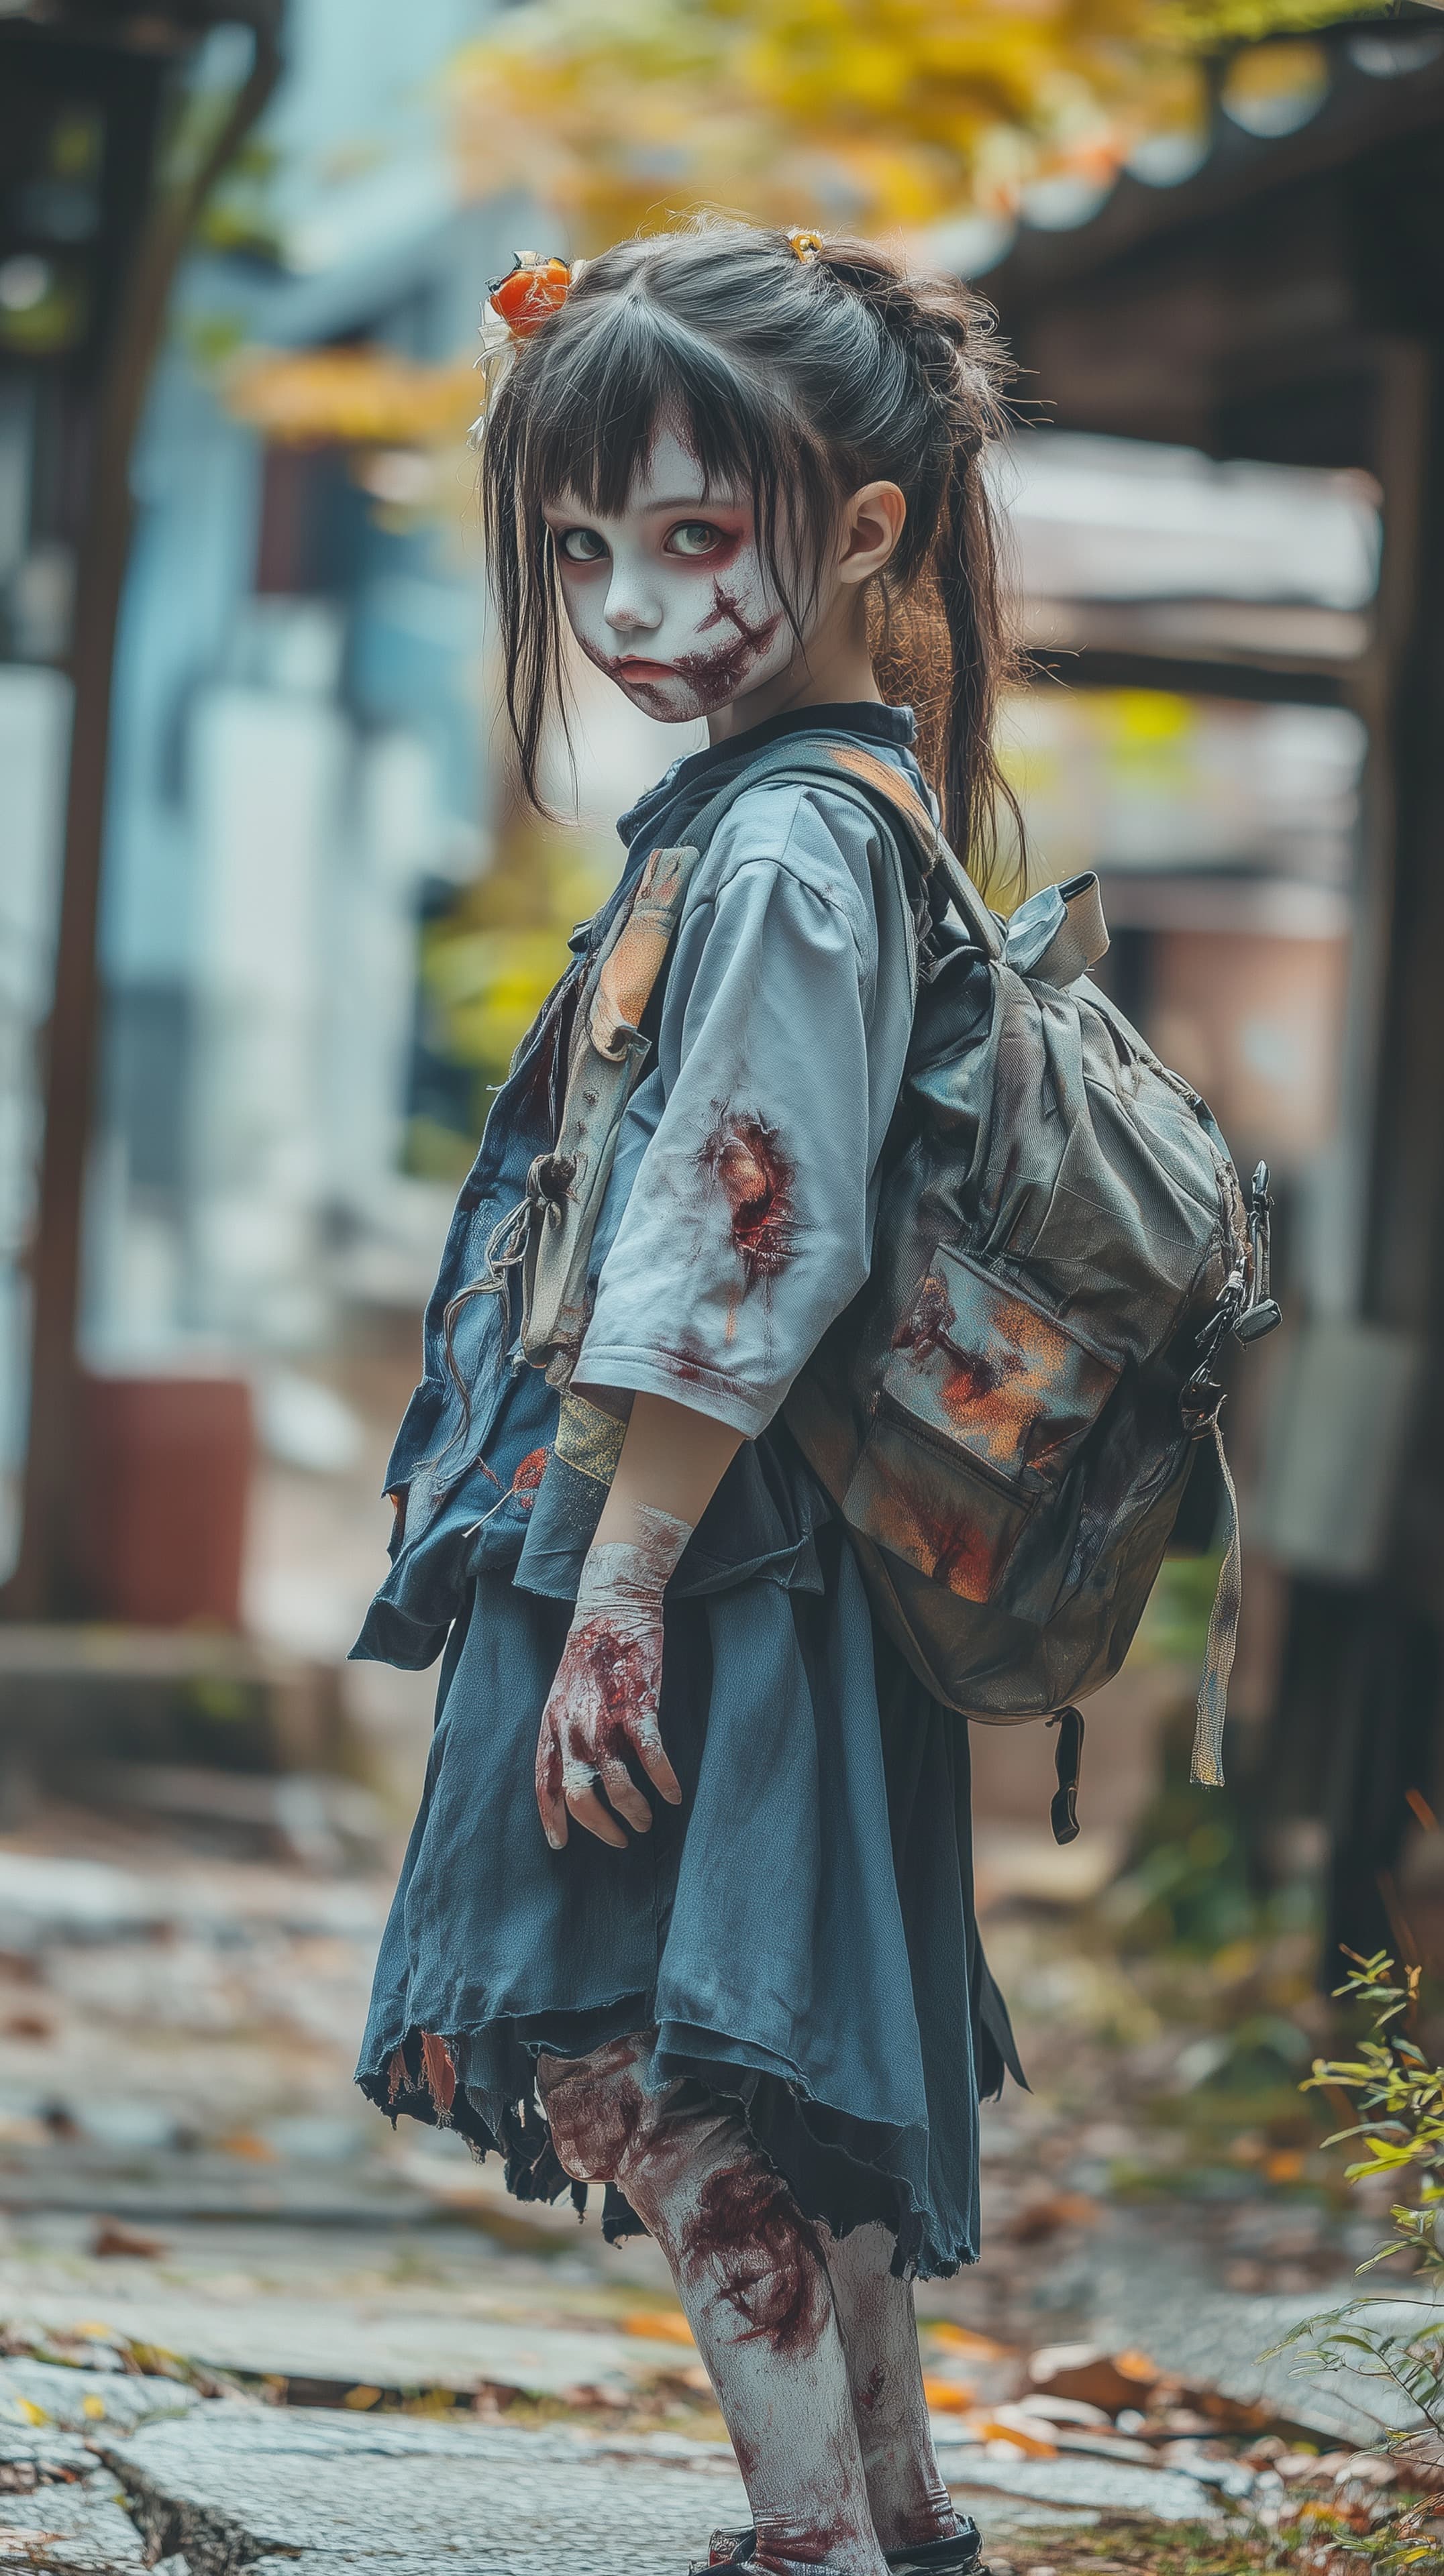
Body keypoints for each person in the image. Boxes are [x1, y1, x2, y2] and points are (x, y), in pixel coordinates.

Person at [353, 219, 1026, 2576]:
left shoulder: (787, 844)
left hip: (689, 1547)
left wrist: (617, 1592)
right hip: (761, 1547)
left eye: (692, 539)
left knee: (624, 2057)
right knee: (758, 2055)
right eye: (580, 550)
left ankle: (813, 2540)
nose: (631, 608)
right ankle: (889, 2524)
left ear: (861, 530)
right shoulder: (818, 813)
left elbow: (755, 1235)